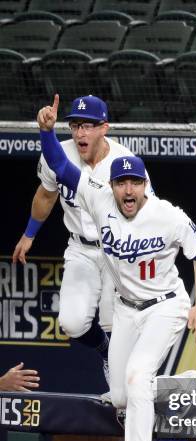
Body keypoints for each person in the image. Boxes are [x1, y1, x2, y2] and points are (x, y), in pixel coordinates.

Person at [37, 94, 196, 441]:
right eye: (121, 183)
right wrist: (46, 132)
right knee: (120, 397)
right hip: (127, 311)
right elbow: (61, 167)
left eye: (135, 182)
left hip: (166, 307)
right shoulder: (99, 202)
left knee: (136, 378)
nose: (128, 189)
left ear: (145, 185)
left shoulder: (167, 214)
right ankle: (186, 385)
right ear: (112, 186)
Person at [12, 94, 154, 385]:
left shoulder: (125, 162)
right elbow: (46, 195)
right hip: (80, 248)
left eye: (88, 126)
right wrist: (29, 234)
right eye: (75, 126)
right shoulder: (58, 153)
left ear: (104, 127)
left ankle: (127, 386)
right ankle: (105, 353)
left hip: (117, 250)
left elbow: (148, 209)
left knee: (116, 323)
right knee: (72, 323)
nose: (80, 133)